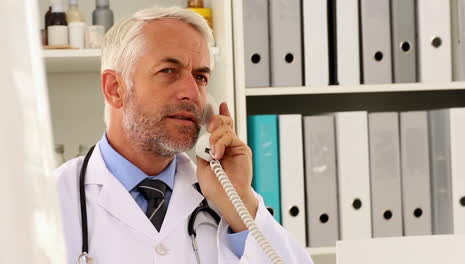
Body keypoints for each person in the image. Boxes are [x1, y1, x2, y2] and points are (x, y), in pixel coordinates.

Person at [56, 6, 313, 264]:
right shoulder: (53, 199)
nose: (192, 93)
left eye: (200, 77)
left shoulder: (226, 196)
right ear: (115, 89)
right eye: (168, 71)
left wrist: (240, 201)